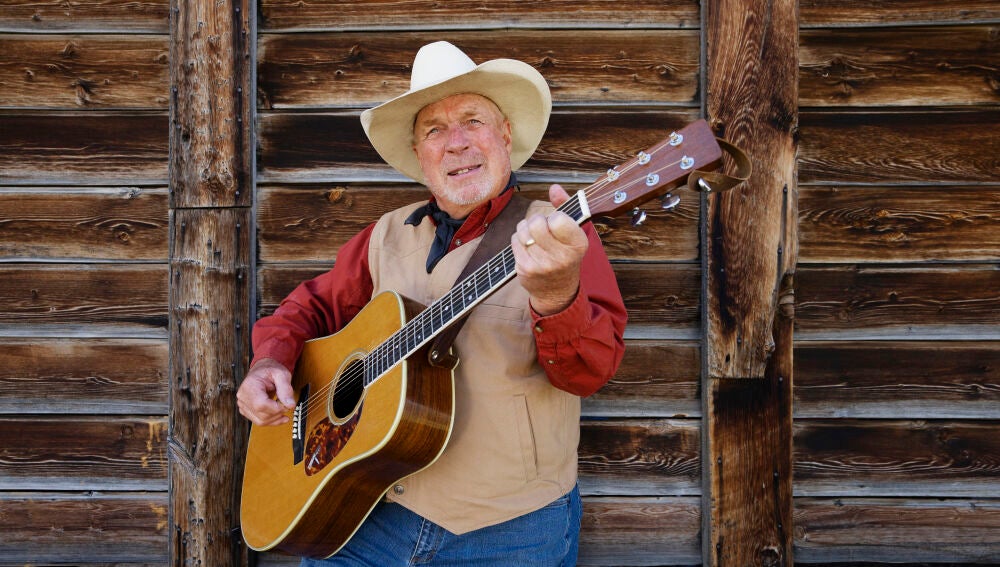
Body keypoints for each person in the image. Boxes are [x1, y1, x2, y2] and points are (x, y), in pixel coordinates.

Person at [237, 41, 627, 566]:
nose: (456, 142)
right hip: (363, 512)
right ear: (419, 155)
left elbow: (589, 373)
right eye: (434, 130)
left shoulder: (557, 235)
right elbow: (307, 309)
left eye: (473, 121)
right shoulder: (383, 235)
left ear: (505, 134)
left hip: (508, 531)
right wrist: (270, 361)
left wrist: (557, 295)